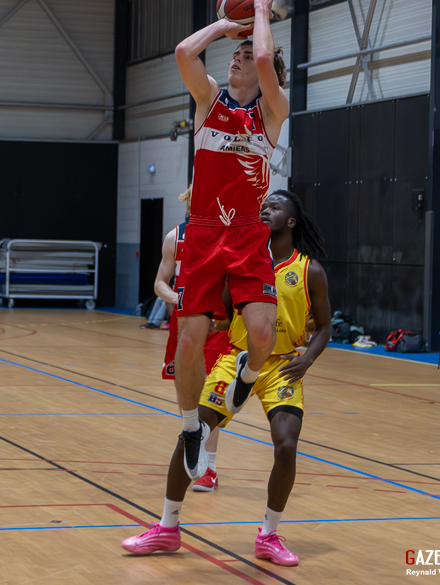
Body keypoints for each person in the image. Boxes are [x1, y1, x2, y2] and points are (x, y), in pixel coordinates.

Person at [122, 190, 331, 565]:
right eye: (263, 205)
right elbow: (219, 312)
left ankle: (269, 535)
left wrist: (308, 359)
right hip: (236, 358)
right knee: (193, 435)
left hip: (282, 366)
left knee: (286, 445)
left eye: (276, 206)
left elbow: (326, 327)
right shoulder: (242, 263)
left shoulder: (309, 270)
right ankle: (167, 528)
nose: (266, 209)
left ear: (292, 221)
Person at [171, 0, 289, 480]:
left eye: (244, 52)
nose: (237, 58)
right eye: (233, 52)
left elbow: (266, 61)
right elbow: (182, 51)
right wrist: (225, 24)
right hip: (202, 231)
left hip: (244, 233)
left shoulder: (271, 112)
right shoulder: (208, 100)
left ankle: (249, 371)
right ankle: (192, 425)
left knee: (262, 333)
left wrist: (260, 12)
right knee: (190, 338)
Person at [155, 185, 229, 492]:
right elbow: (160, 283)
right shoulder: (176, 236)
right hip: (183, 324)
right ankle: (195, 454)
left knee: (207, 399)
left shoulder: (227, 235)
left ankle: (209, 467)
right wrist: (178, 298)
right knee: (186, 398)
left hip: (215, 324)